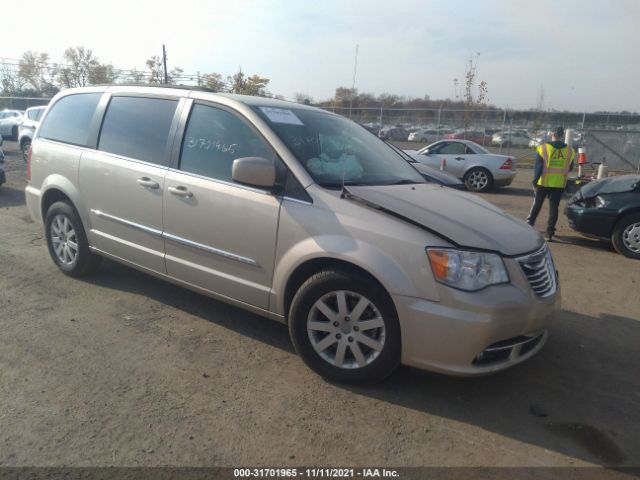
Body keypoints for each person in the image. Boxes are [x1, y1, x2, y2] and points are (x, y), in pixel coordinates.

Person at [527, 126, 575, 242]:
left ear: (552, 134)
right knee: (554, 208)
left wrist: (534, 182)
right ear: (562, 135)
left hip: (543, 182)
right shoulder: (570, 151)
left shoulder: (543, 148)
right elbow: (570, 168)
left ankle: (529, 225)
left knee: (537, 205)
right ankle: (549, 233)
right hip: (559, 184)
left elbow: (538, 167)